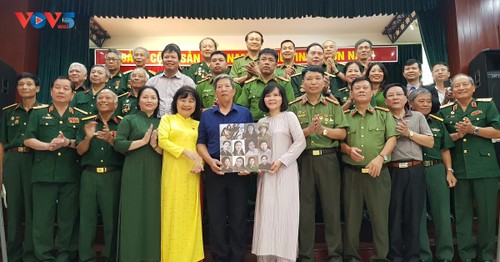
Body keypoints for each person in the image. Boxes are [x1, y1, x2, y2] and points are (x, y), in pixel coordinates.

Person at [437, 73, 500, 262]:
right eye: (457, 86)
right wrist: (458, 134)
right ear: (452, 91)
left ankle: (486, 256)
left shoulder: (486, 105)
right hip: (459, 170)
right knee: (463, 216)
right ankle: (466, 256)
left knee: (487, 215)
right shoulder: (445, 111)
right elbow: (441, 141)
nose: (461, 88)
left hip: (485, 168)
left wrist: (474, 130)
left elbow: (498, 131)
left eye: (465, 84)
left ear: (473, 88)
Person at [289, 66, 348, 262]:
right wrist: (307, 131)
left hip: (328, 159)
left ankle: (335, 255)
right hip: (303, 160)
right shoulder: (294, 107)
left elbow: (342, 134)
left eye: (317, 79)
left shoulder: (333, 105)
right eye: (309, 79)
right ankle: (306, 256)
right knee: (305, 211)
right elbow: (287, 136)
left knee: (331, 209)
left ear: (324, 82)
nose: (313, 82)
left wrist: (323, 131)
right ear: (302, 84)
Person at [24, 76, 84, 261]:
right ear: (50, 92)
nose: (61, 91)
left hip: (70, 175)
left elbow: (83, 144)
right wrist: (47, 146)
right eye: (57, 87)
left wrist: (67, 142)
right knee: (42, 219)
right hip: (44, 174)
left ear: (73, 94)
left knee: (68, 220)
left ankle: (65, 256)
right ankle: (43, 256)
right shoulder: (38, 113)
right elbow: (28, 139)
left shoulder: (80, 115)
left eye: (66, 88)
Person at [339, 77, 398, 262]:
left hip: (378, 174)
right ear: (352, 94)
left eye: (366, 87)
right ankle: (351, 257)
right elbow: (339, 140)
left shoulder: (383, 114)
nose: (362, 90)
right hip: (352, 174)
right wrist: (348, 149)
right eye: (357, 88)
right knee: (351, 219)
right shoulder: (345, 116)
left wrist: (381, 158)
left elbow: (392, 138)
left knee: (380, 219)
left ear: (373, 93)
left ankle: (381, 257)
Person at [196, 74, 253, 261]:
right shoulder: (206, 116)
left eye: (226, 86)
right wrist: (210, 161)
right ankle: (219, 256)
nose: (223, 89)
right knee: (216, 217)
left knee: (238, 216)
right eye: (219, 87)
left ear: (234, 90)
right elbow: (200, 143)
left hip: (239, 173)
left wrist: (248, 166)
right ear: (215, 92)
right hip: (214, 171)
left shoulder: (245, 113)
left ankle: (237, 256)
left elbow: (252, 142)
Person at [251, 82, 306, 261]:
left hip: (286, 172)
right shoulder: (261, 122)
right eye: (268, 95)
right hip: (266, 176)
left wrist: (282, 161)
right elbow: (258, 151)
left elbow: (300, 142)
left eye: (276, 95)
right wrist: (256, 165)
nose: (272, 99)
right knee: (266, 214)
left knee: (285, 214)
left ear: (282, 98)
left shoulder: (289, 116)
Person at [384, 83, 434, 262]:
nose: (396, 98)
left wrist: (408, 133)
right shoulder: (383, 117)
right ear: (385, 101)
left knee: (414, 216)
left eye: (399, 94)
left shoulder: (418, 116)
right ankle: (395, 256)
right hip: (392, 171)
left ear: (406, 99)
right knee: (393, 215)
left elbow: (430, 142)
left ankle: (413, 256)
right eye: (391, 95)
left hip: (415, 170)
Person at [407, 88, 457, 262]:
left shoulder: (437, 122)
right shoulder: (404, 122)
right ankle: (423, 256)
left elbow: (444, 148)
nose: (426, 104)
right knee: (417, 215)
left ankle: (445, 255)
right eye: (421, 101)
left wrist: (449, 171)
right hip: (415, 170)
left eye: (428, 101)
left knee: (442, 214)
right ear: (410, 103)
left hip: (436, 169)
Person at [114, 86, 162, 262]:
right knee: (132, 213)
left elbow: (168, 151)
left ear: (158, 102)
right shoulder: (129, 119)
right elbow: (118, 145)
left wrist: (155, 145)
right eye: (145, 97)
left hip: (156, 170)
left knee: (154, 214)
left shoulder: (163, 122)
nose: (149, 100)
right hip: (133, 170)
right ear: (139, 100)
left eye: (153, 98)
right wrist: (142, 141)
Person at [76, 89, 124, 262]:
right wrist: (88, 138)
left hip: (112, 176)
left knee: (111, 221)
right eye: (100, 97)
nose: (103, 100)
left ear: (116, 103)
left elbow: (126, 152)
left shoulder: (122, 124)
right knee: (86, 220)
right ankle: (86, 257)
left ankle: (110, 256)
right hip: (89, 176)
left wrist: (112, 140)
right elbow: (80, 151)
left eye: (108, 97)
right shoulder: (87, 123)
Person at [158, 86, 204, 261]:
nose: (187, 104)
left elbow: (203, 148)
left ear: (196, 104)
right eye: (183, 100)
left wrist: (200, 163)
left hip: (192, 175)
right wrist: (185, 152)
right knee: (172, 214)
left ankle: (191, 256)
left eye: (191, 100)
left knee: (190, 216)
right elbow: (163, 141)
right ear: (175, 102)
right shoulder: (167, 120)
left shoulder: (198, 124)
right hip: (172, 174)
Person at [0, 72, 42, 262]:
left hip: (35, 159)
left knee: (34, 208)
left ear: (37, 88)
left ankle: (32, 254)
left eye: (29, 84)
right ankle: (13, 255)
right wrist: (1, 170)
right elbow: (2, 143)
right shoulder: (8, 112)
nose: (24, 87)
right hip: (13, 160)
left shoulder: (45, 111)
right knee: (14, 209)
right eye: (21, 84)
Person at [237, 48, 295, 121]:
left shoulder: (284, 83)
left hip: (279, 125)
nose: (266, 62)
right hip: (255, 126)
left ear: (276, 65)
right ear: (258, 63)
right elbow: (242, 109)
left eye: (271, 60)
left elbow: (291, 107)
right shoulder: (249, 84)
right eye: (263, 59)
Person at [146, 43, 196, 117]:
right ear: (162, 60)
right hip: (156, 121)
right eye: (166, 57)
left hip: (179, 123)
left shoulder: (187, 82)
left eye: (173, 57)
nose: (169, 60)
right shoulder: (152, 82)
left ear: (179, 60)